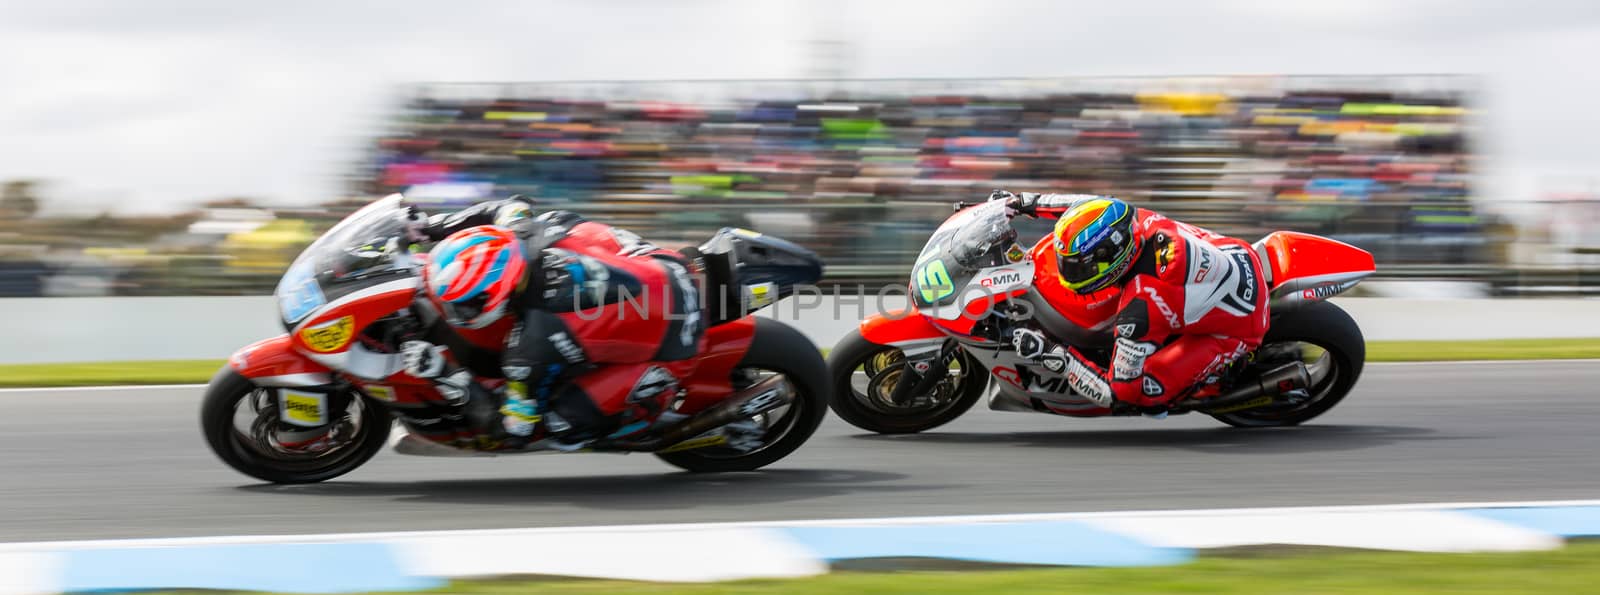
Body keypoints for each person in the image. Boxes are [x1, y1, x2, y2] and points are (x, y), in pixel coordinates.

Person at [396, 195, 704, 448]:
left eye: (463, 306)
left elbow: (513, 430)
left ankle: (647, 411)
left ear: (497, 293)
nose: (457, 313)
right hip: (668, 264)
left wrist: (444, 373)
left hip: (677, 345)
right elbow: (505, 205)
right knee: (574, 227)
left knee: (560, 426)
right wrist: (430, 228)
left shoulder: (531, 347)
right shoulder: (524, 227)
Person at [992, 189, 1269, 411]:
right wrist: (1024, 203)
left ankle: (1210, 382)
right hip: (1235, 254)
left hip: (1238, 326)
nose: (1068, 271)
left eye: (1078, 267)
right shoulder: (1127, 217)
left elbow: (1117, 393)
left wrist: (1055, 355)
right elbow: (1080, 205)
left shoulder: (1140, 308)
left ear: (1109, 260)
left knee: (1146, 395)